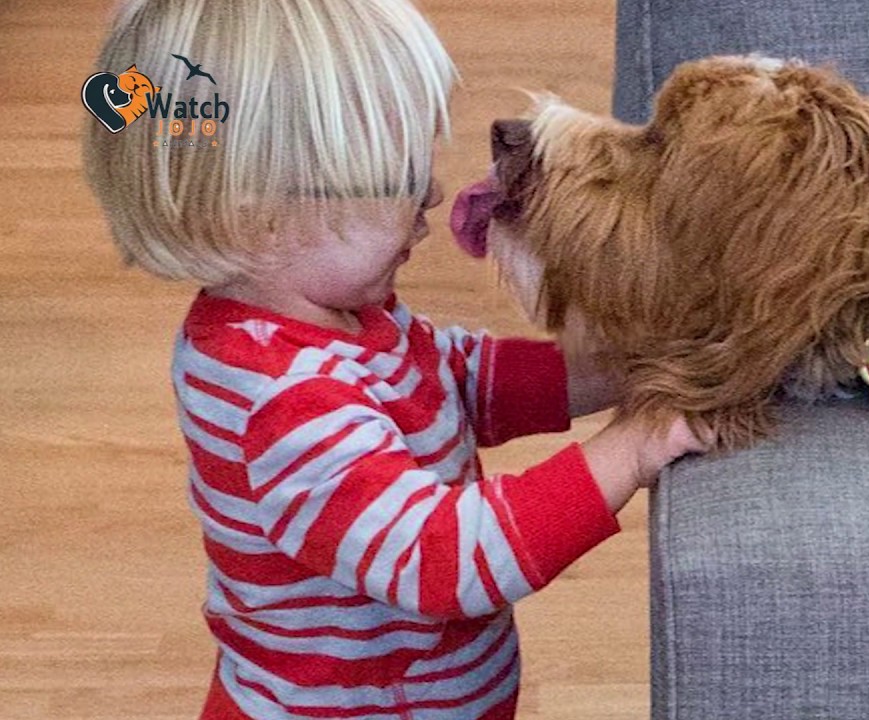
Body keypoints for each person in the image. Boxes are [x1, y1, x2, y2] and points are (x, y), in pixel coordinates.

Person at [81, 1, 708, 717]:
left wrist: (628, 369)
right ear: (256, 215)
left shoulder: (338, 317)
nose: (432, 195)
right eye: (396, 175)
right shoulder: (285, 400)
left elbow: (456, 380)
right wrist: (633, 447)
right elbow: (443, 559)